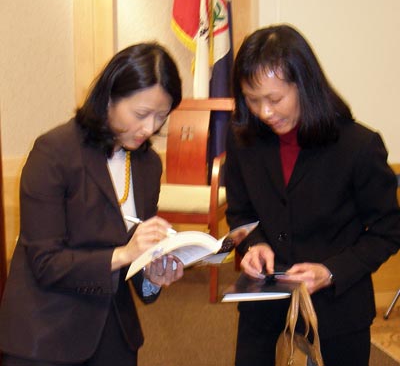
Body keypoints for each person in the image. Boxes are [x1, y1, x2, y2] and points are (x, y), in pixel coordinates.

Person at [225, 24, 400, 366]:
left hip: (338, 304)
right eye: (252, 99)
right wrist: (254, 244)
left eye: (274, 99)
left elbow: (388, 231)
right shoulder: (243, 140)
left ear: (304, 85)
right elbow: (240, 211)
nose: (264, 112)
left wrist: (331, 271)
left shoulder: (358, 146)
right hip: (264, 298)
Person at [0, 42, 184, 366]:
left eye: (161, 116)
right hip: (46, 333)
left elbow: (131, 260)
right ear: (110, 97)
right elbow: (45, 262)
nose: (150, 128)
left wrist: (151, 277)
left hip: (113, 334)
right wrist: (125, 254)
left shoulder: (147, 164)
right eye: (141, 114)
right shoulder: (54, 153)